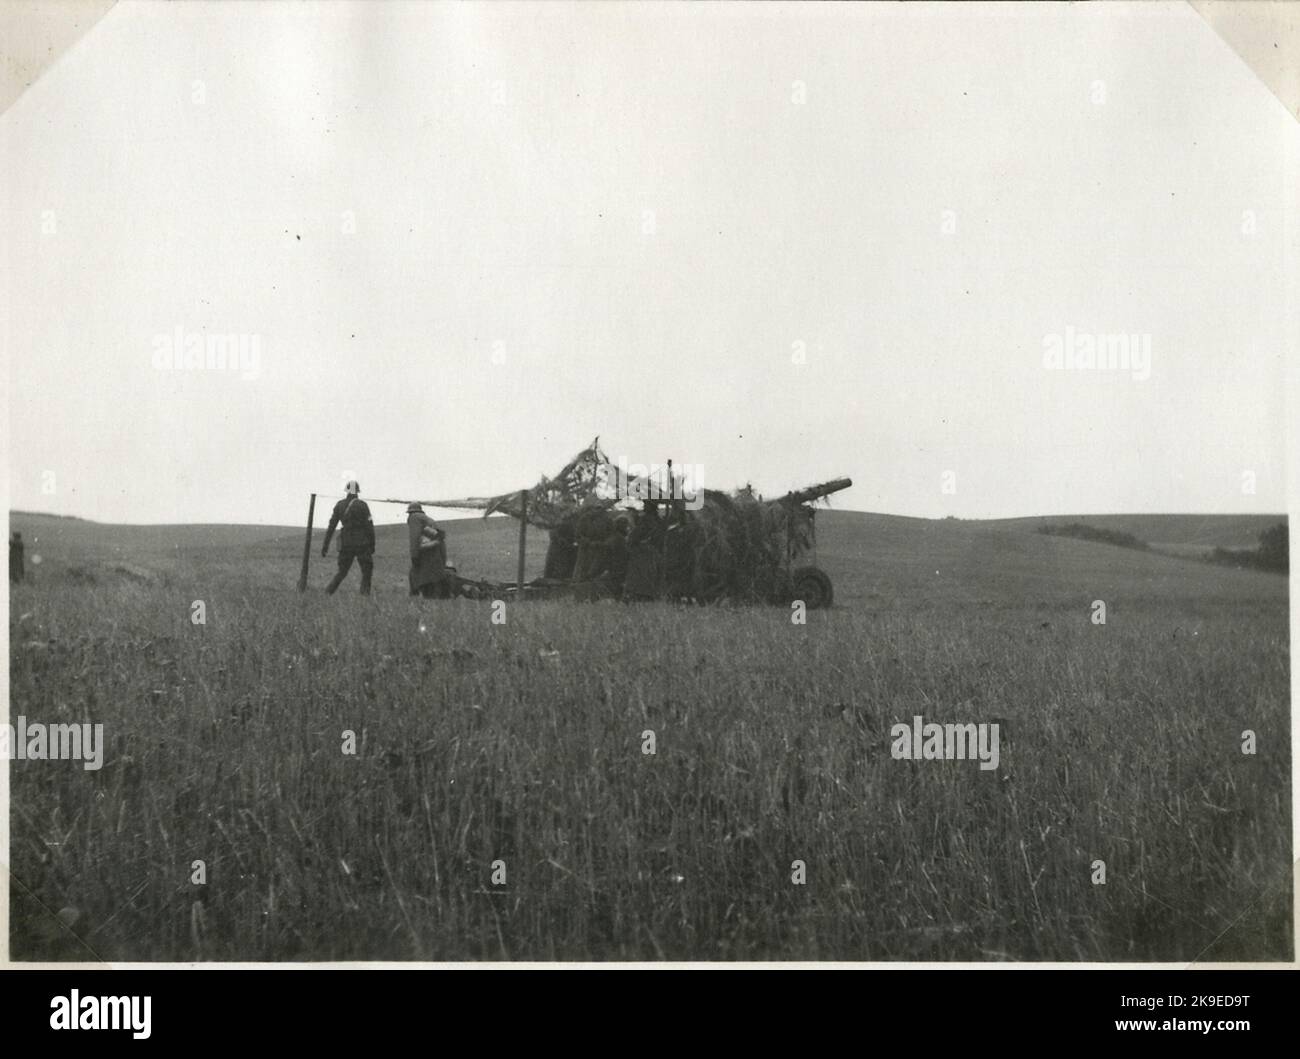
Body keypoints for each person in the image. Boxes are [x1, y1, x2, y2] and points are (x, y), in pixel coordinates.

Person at [323, 481, 375, 594]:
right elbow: (369, 526)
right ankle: (364, 596)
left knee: (342, 572)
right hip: (362, 542)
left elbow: (331, 526)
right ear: (357, 491)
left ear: (346, 491)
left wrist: (325, 545)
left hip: (346, 542)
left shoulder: (339, 505)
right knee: (367, 571)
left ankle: (327, 593)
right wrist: (372, 544)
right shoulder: (363, 505)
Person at [406, 502, 449, 598]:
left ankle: (415, 596)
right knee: (433, 576)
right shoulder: (427, 519)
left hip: (427, 552)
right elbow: (439, 536)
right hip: (437, 550)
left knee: (419, 575)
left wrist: (414, 556)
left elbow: (414, 538)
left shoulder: (414, 518)